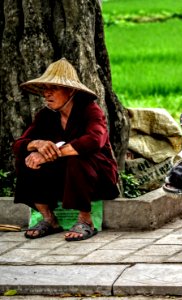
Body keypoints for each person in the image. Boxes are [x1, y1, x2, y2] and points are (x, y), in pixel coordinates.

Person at [13, 58, 120, 241]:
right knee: (28, 158)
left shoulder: (90, 110)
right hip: (62, 178)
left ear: (70, 90)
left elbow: (94, 140)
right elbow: (19, 144)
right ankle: (49, 219)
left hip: (96, 176)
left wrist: (49, 156)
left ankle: (86, 221)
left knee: (78, 158)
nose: (47, 94)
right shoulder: (45, 115)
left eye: (53, 89)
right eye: (45, 89)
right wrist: (37, 144)